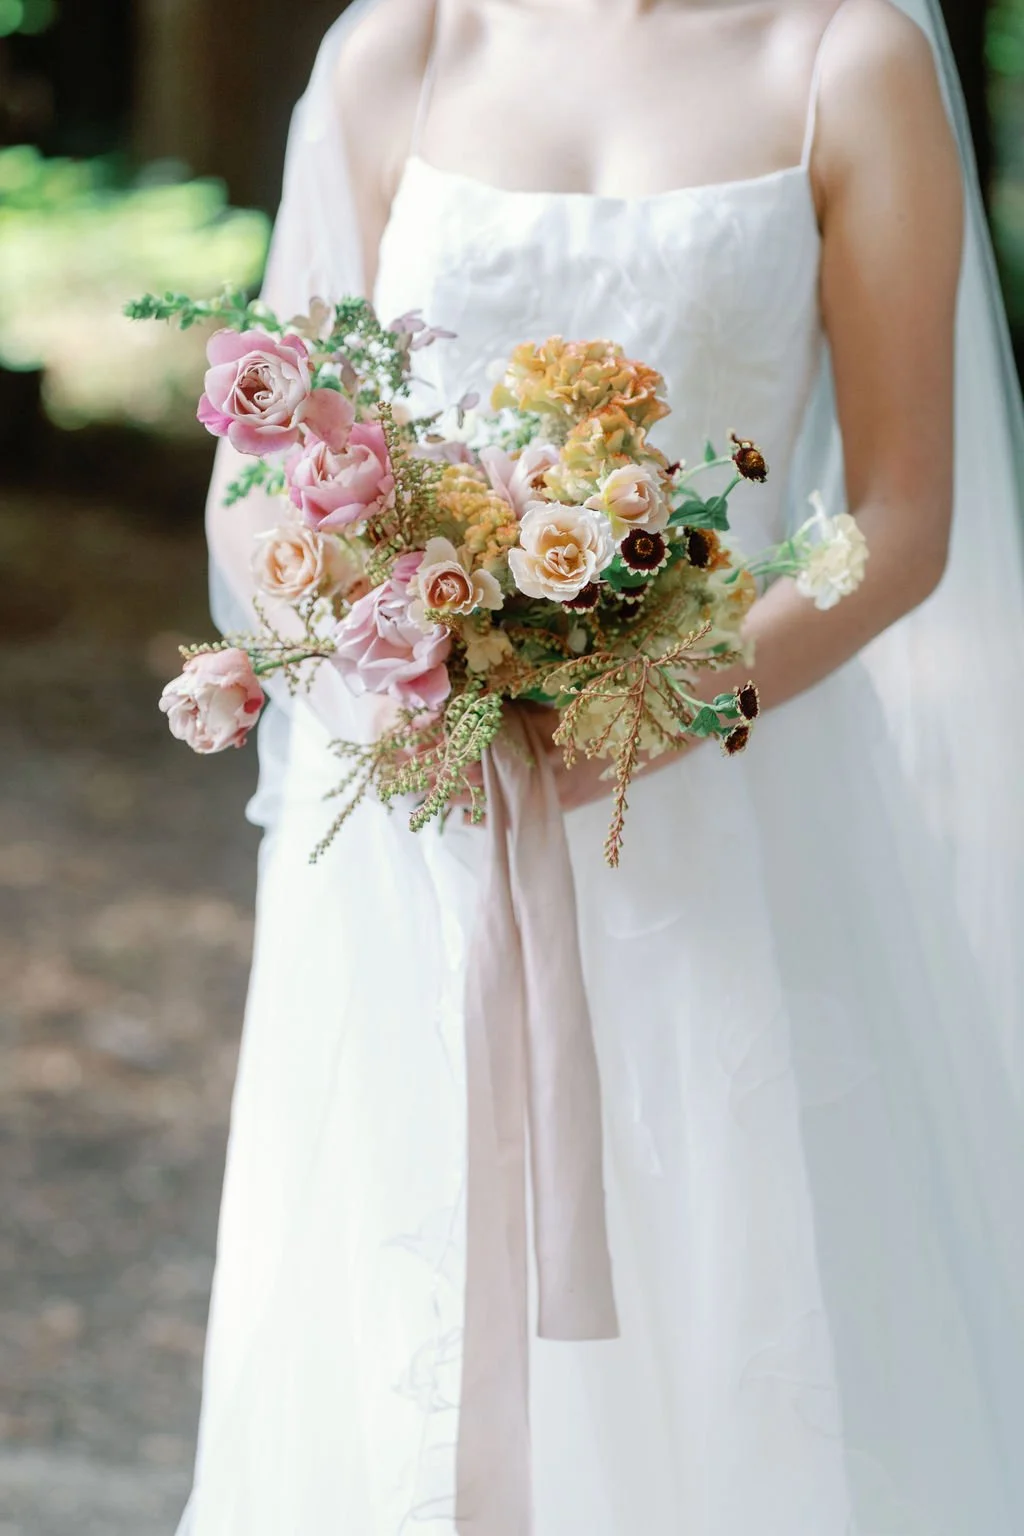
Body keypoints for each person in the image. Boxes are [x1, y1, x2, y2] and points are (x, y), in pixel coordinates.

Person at [179, 1, 1024, 1531]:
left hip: (727, 811)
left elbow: (901, 520)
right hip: (419, 808)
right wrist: (396, 669)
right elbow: (263, 459)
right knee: (399, 1283)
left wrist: (644, 712)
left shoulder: (846, 59)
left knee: (721, 1277)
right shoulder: (406, 49)